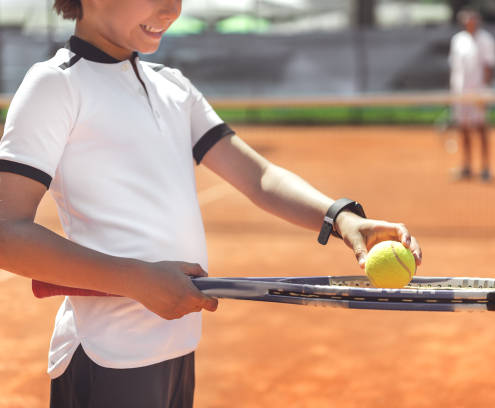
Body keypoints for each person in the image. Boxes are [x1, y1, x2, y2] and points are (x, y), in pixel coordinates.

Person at [0, 1, 422, 407]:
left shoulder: (173, 86)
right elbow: (7, 232)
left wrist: (342, 217)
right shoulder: (55, 85)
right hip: (106, 354)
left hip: (177, 346)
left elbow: (259, 177)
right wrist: (136, 279)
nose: (170, 10)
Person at [448, 8, 495, 181]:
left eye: (473, 20)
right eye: (467, 20)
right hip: (460, 93)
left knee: (481, 128)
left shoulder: (486, 40)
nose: (470, 22)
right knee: (463, 129)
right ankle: (467, 166)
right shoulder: (457, 40)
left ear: (478, 21)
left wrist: (485, 91)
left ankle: (485, 167)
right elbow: (455, 67)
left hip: (478, 92)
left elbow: (489, 66)